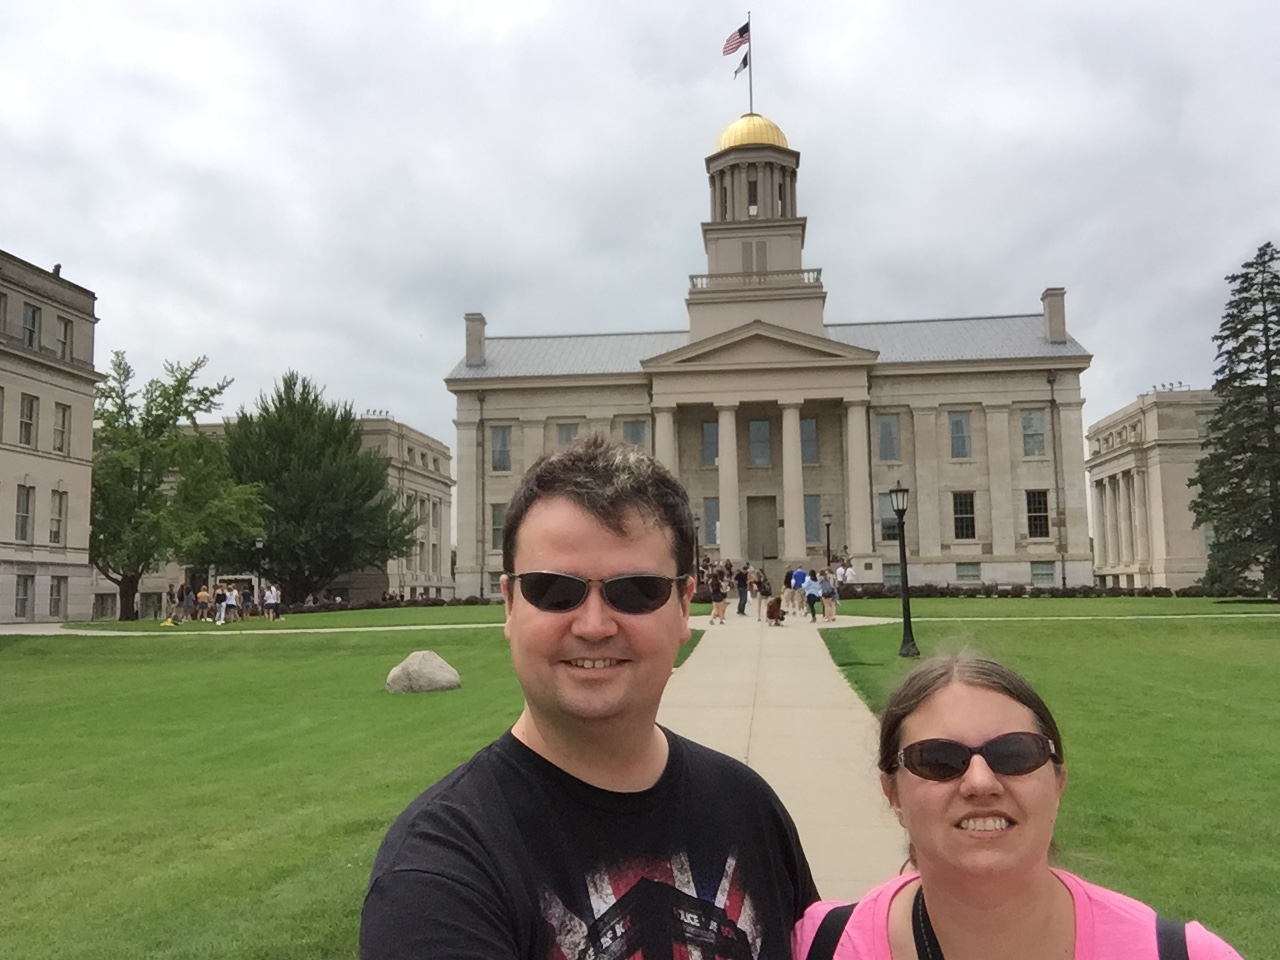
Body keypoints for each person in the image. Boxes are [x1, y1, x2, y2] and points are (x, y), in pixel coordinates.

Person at [362, 436, 817, 958]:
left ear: (683, 606)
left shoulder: (750, 810)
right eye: (554, 590)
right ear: (509, 605)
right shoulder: (439, 876)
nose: (595, 625)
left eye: (637, 590)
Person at [793, 654, 1244, 960]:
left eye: (1014, 753)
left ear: (1059, 783)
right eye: (938, 759)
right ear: (892, 793)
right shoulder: (818, 946)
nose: (980, 783)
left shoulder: (1181, 954)